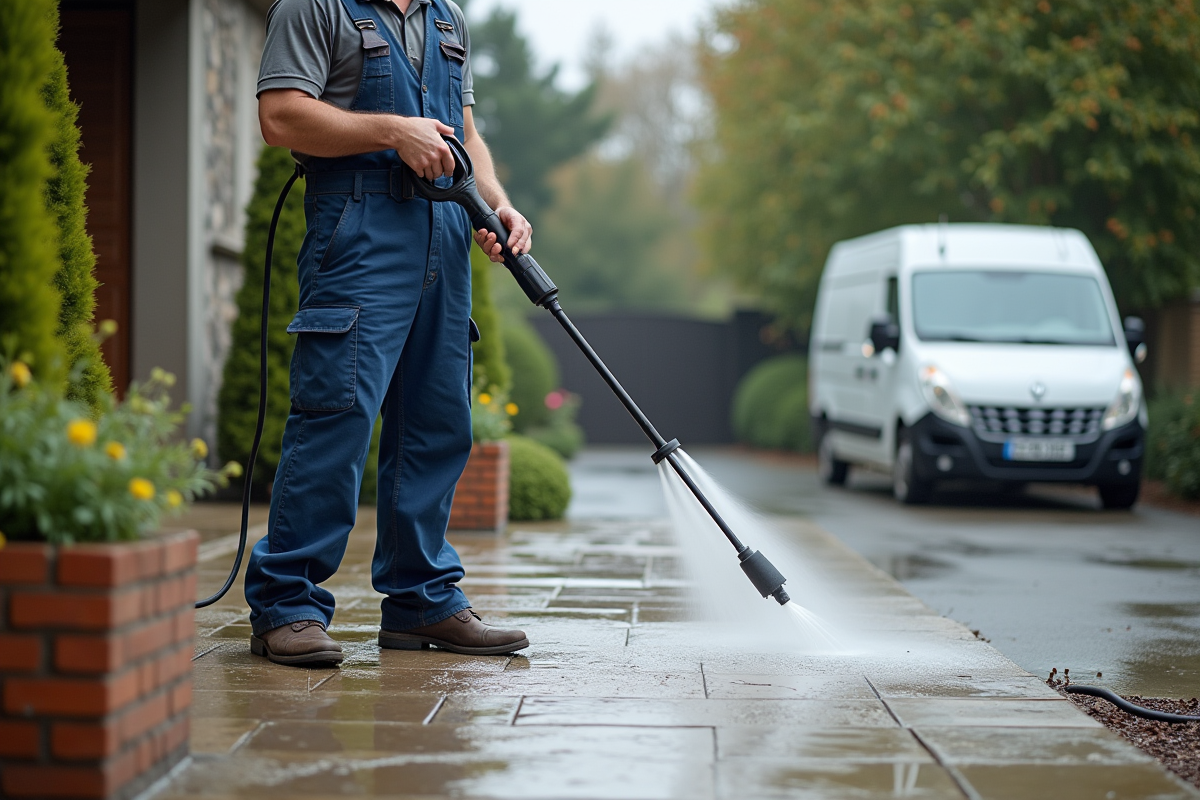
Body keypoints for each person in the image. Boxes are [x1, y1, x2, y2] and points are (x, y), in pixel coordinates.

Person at [244, 0, 530, 666]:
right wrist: (393, 131)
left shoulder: (446, 18)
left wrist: (495, 204)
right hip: (359, 231)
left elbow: (464, 132)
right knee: (336, 416)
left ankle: (422, 599)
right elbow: (280, 115)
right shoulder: (315, 6)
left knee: (437, 422)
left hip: (445, 235)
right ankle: (286, 604)